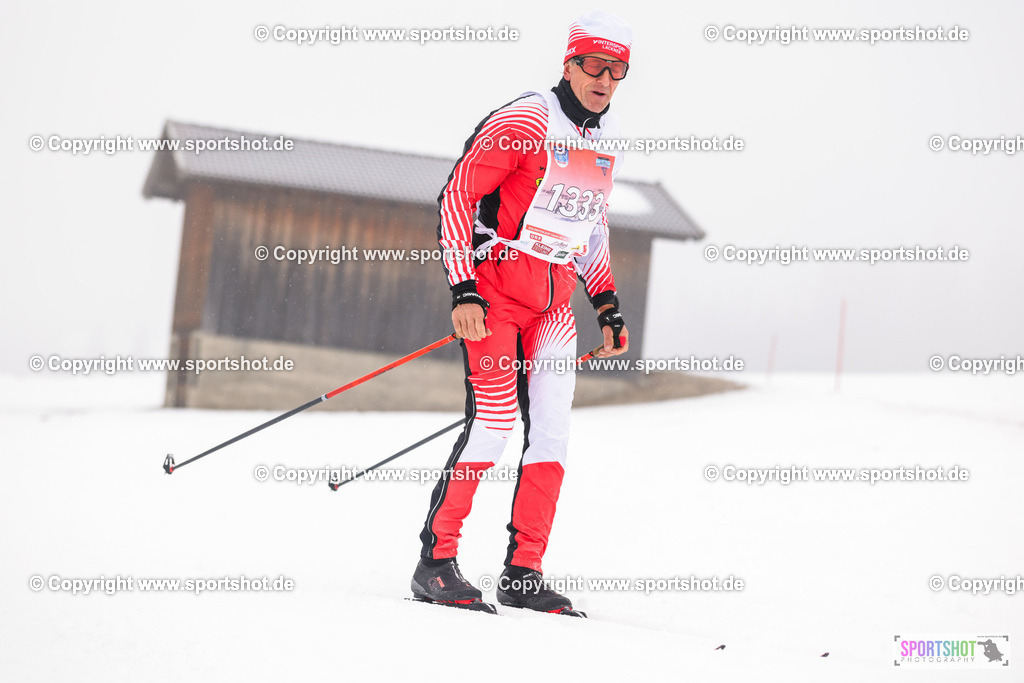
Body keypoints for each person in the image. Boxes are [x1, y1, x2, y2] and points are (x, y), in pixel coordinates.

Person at [412, 10, 633, 615]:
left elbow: (592, 229)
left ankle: (524, 572)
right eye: (594, 65)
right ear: (569, 64)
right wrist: (464, 290)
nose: (605, 79)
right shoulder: (526, 118)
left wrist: (607, 303)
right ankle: (436, 562)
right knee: (494, 424)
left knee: (553, 434)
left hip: (555, 304)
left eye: (617, 71)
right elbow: (457, 196)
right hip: (496, 295)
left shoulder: (598, 140)